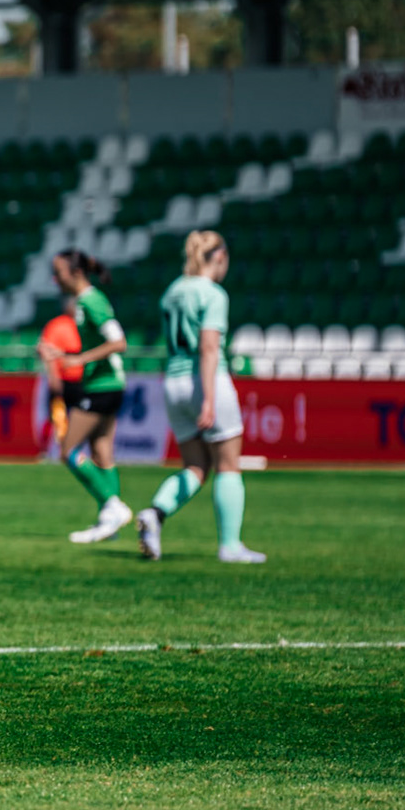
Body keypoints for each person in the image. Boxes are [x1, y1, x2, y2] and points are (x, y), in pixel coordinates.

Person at [137, 231, 265, 564]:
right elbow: (209, 347)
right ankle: (230, 546)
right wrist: (209, 399)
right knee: (228, 465)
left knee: (195, 466)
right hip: (204, 381)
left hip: (173, 382)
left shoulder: (172, 292)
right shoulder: (213, 293)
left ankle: (155, 513)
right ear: (219, 257)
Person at [37, 248, 134, 544]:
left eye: (59, 273)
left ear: (75, 273)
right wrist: (66, 356)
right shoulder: (83, 301)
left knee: (67, 450)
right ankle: (110, 523)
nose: (55, 279)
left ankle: (113, 508)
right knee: (102, 451)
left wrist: (79, 361)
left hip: (103, 385)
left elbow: (119, 342)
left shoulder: (92, 301)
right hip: (105, 383)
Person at [38, 294, 82, 459]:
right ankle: (46, 451)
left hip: (79, 380)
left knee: (78, 418)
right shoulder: (57, 325)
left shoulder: (81, 326)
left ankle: (72, 451)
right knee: (55, 416)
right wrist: (54, 375)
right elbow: (45, 350)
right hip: (62, 380)